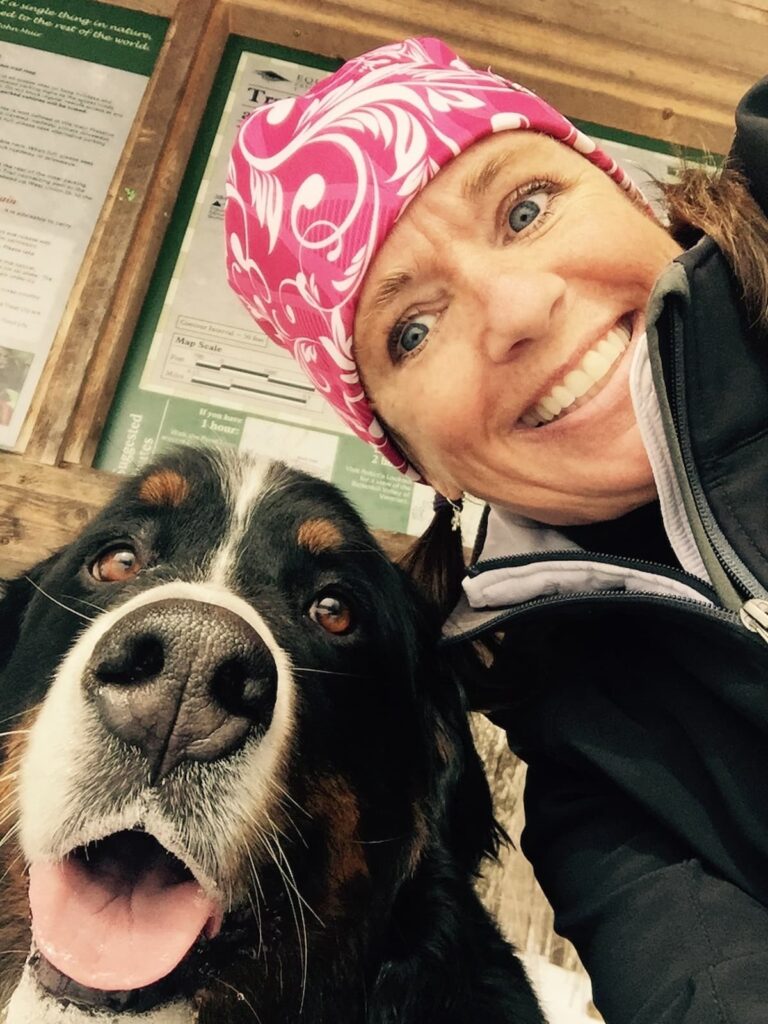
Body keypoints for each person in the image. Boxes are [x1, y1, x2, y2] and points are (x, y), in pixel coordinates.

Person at [225, 36, 768, 1024]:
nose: (518, 307)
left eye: (526, 208)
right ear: (412, 456)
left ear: (628, 196)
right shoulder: (594, 781)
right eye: (414, 329)